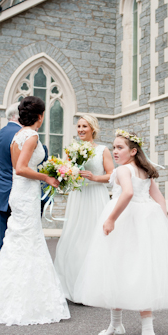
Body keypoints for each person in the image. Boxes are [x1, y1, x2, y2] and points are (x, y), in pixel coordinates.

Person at [74, 130, 168, 335]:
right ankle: (121, 327)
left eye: (120, 147)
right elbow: (158, 198)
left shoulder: (123, 170)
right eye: (113, 147)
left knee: (117, 266)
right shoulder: (146, 170)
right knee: (139, 272)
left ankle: (137, 332)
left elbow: (128, 193)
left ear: (133, 151)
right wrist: (160, 221)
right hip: (145, 220)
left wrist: (111, 218)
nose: (115, 152)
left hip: (124, 219)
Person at [0, 96, 70, 325]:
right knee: (29, 240)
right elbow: (21, 169)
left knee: (18, 241)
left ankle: (12, 293)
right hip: (25, 193)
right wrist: (47, 177)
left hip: (19, 193)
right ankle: (27, 298)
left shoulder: (18, 135)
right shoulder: (32, 135)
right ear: (40, 115)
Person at [54, 115, 113, 301]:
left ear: (92, 129)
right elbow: (64, 171)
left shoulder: (103, 150)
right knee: (76, 238)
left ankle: (96, 289)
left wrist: (94, 177)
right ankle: (73, 287)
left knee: (95, 238)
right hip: (78, 197)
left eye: (84, 126)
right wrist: (66, 175)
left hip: (96, 196)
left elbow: (112, 175)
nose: (80, 129)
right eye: (78, 126)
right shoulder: (72, 150)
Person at [0, 103, 22, 257]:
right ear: (18, 115)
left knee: (3, 239)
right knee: (18, 239)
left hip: (1, 194)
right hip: (18, 194)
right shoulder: (21, 134)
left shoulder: (1, 133)